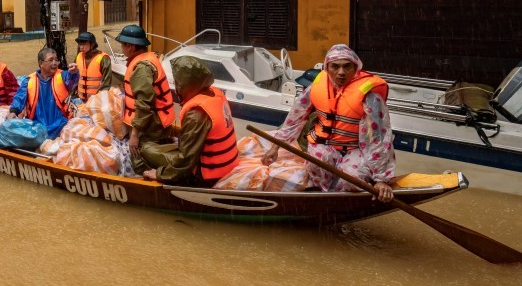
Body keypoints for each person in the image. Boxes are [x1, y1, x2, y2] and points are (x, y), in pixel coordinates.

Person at [261, 44, 395, 202]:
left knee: (352, 181)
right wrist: (275, 147)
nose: (341, 72)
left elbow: (379, 138)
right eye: (335, 67)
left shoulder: (370, 96)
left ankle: (346, 194)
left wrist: (381, 179)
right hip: (324, 145)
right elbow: (295, 117)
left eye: (347, 66)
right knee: (316, 165)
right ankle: (323, 195)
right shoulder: (317, 87)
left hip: (355, 148)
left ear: (356, 67)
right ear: (327, 68)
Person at [140, 57, 239, 186]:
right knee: (158, 147)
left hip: (204, 175)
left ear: (185, 84)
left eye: (177, 83)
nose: (176, 88)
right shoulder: (215, 93)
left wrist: (160, 174)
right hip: (224, 163)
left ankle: (149, 178)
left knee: (145, 149)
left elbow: (186, 160)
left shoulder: (196, 114)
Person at [116, 24, 176, 173]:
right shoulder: (148, 59)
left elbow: (144, 104)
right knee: (156, 149)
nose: (121, 48)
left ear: (130, 46)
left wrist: (135, 135)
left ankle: (161, 175)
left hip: (151, 124)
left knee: (139, 158)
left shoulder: (141, 68)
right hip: (160, 121)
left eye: (122, 44)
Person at [10, 47, 80, 139]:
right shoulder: (29, 80)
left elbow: (72, 80)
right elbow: (19, 97)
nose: (54, 63)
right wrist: (13, 111)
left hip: (61, 124)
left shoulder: (62, 76)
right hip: (37, 125)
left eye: (56, 60)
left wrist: (74, 73)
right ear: (41, 63)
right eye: (51, 60)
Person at [74, 31, 112, 102]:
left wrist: (97, 100)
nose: (81, 47)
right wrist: (73, 95)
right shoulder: (79, 56)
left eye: (84, 44)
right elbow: (75, 78)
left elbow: (106, 82)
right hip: (80, 100)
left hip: (96, 101)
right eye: (80, 44)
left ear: (92, 44)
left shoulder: (103, 58)